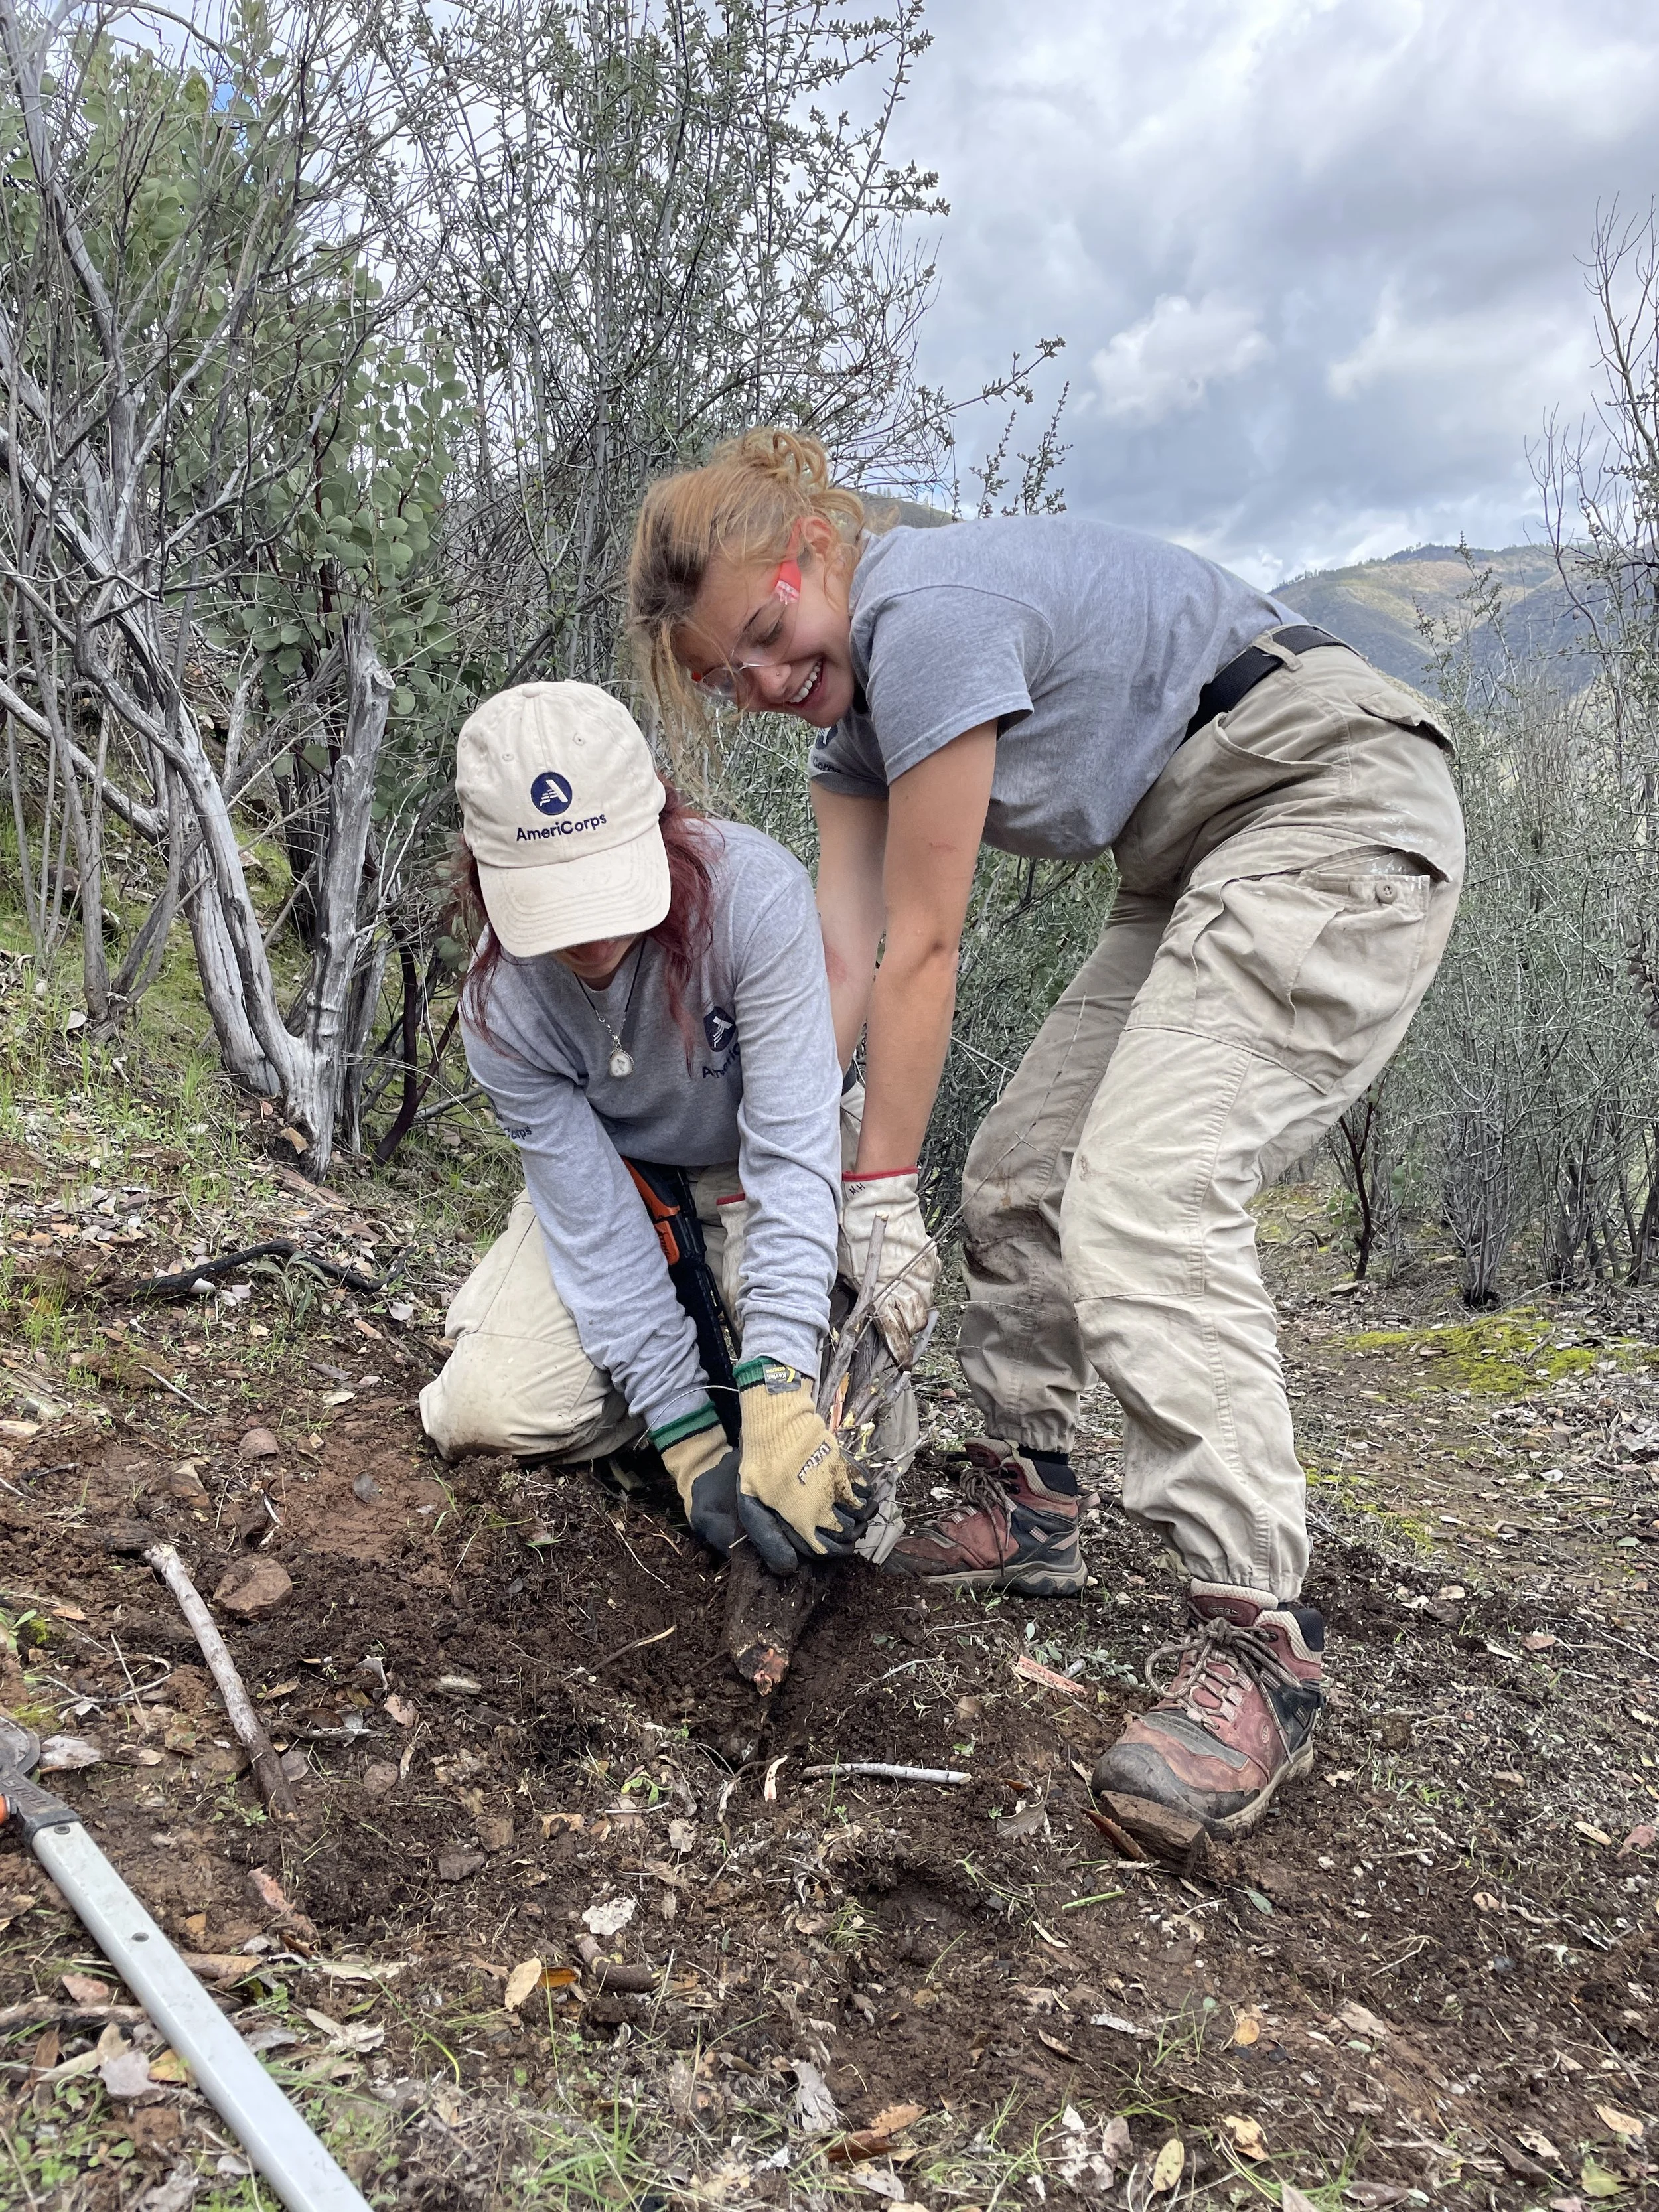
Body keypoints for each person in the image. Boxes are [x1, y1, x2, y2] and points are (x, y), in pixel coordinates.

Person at [626, 430, 1465, 1846]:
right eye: (729, 677)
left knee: (1137, 1197)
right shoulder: (851, 729)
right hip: (1188, 848)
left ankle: (1262, 1638)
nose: (765, 683)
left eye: (768, 631)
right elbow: (840, 969)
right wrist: (797, 1163)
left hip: (1323, 795)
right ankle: (1035, 1499)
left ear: (814, 549)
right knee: (1019, 1174)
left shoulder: (923, 615)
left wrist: (877, 1191)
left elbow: (925, 945)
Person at [419, 678, 876, 1574]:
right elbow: (593, 1224)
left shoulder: (754, 897)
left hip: (761, 1172)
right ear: (483, 868)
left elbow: (792, 1151)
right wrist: (690, 1442)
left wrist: (782, 1383)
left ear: (659, 824)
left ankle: (747, 1377)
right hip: (633, 1189)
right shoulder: (501, 1005)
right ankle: (693, 1394)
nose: (586, 932)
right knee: (482, 1415)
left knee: (839, 1462)